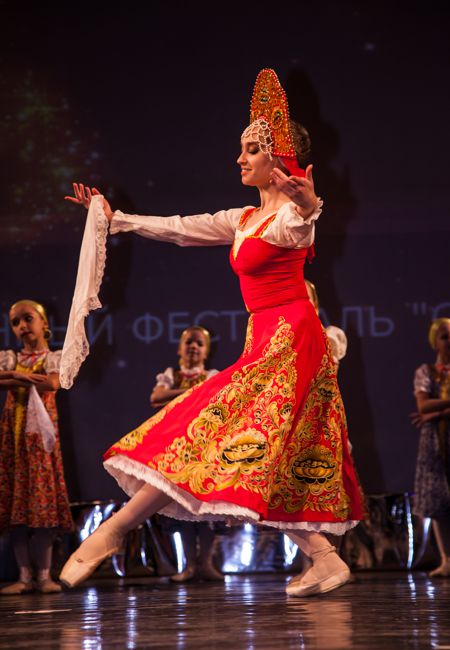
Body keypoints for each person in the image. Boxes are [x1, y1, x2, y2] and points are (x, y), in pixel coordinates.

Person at [60, 68, 364, 597]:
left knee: (214, 433)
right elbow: (182, 229)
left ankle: (113, 531)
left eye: (251, 150)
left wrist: (310, 203)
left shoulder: (288, 217)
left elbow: (303, 224)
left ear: (278, 159)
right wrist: (116, 218)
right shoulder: (244, 219)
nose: (240, 159)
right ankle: (325, 557)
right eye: (241, 149)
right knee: (250, 452)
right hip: (266, 339)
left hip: (291, 341)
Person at [0, 300, 73, 595]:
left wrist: (15, 379)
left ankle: (44, 575)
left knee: (42, 506)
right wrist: (18, 376)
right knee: (16, 507)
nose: (22, 326)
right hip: (14, 438)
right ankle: (24, 576)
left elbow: (53, 383)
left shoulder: (53, 357)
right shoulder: (11, 359)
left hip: (40, 440)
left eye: (28, 319)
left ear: (44, 323)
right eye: (15, 322)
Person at [151, 326, 222, 581]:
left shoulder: (211, 375)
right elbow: (156, 397)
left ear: (206, 352)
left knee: (206, 510)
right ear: (179, 349)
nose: (193, 346)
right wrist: (192, 392)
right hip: (178, 446)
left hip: (205, 448)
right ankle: (190, 565)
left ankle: (206, 563)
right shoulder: (172, 375)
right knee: (184, 509)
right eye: (189, 342)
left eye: (199, 344)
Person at [410, 317, 450, 577]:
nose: (449, 341)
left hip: (438, 428)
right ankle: (447, 559)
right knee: (438, 499)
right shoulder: (426, 371)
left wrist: (437, 412)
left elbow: (429, 410)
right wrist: (435, 411)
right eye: (444, 336)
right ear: (435, 341)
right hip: (436, 441)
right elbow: (423, 405)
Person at [305, 279, 348, 367]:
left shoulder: (329, 341)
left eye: (305, 298)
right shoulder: (276, 342)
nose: (298, 305)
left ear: (316, 308)